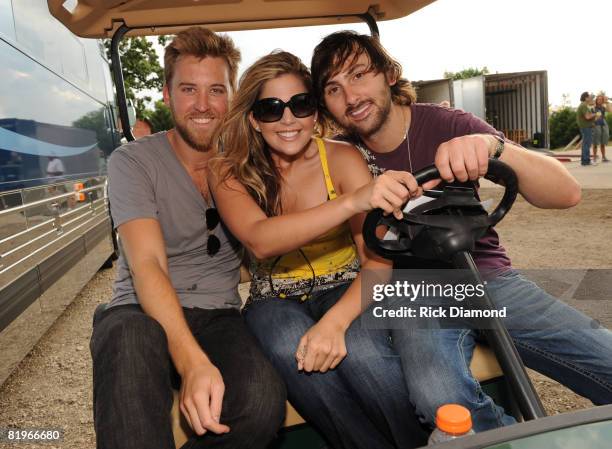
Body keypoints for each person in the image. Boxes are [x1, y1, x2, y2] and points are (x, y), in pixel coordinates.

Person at [309, 30, 612, 432]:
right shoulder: (341, 156)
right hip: (411, 289)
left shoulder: (448, 124)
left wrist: (493, 148)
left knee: (601, 355)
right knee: (439, 396)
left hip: (486, 274)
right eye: (334, 88)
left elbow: (567, 193)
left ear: (388, 74)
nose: (351, 96)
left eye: (360, 75)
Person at [210, 51, 429, 449]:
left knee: (365, 353)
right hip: (272, 298)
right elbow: (259, 238)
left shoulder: (342, 158)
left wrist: (335, 323)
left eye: (301, 104)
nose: (289, 119)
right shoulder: (229, 171)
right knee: (290, 346)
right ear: (254, 119)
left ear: (314, 110)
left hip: (346, 286)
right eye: (271, 108)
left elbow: (378, 262)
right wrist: (350, 202)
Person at [90, 27, 288, 449]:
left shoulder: (248, 162)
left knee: (259, 402)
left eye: (216, 90)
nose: (202, 105)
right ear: (166, 95)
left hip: (217, 314)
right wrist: (193, 362)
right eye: (188, 89)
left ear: (233, 96)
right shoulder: (133, 162)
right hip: (139, 310)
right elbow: (148, 265)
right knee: (127, 344)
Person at [577, 92, 598, 166]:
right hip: (586, 127)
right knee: (587, 144)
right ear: (585, 98)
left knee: (585, 144)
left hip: (585, 127)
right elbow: (587, 117)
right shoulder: (583, 105)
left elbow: (587, 116)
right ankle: (586, 161)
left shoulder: (583, 105)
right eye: (589, 97)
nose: (590, 98)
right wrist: (595, 114)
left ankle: (585, 161)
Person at [592, 95, 610, 162]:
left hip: (603, 123)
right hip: (596, 124)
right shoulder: (593, 107)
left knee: (603, 141)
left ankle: (603, 157)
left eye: (601, 99)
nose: (599, 100)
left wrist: (607, 102)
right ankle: (594, 158)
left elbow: (610, 110)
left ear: (602, 100)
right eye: (598, 99)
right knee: (595, 142)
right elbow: (591, 116)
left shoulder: (603, 107)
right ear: (596, 100)